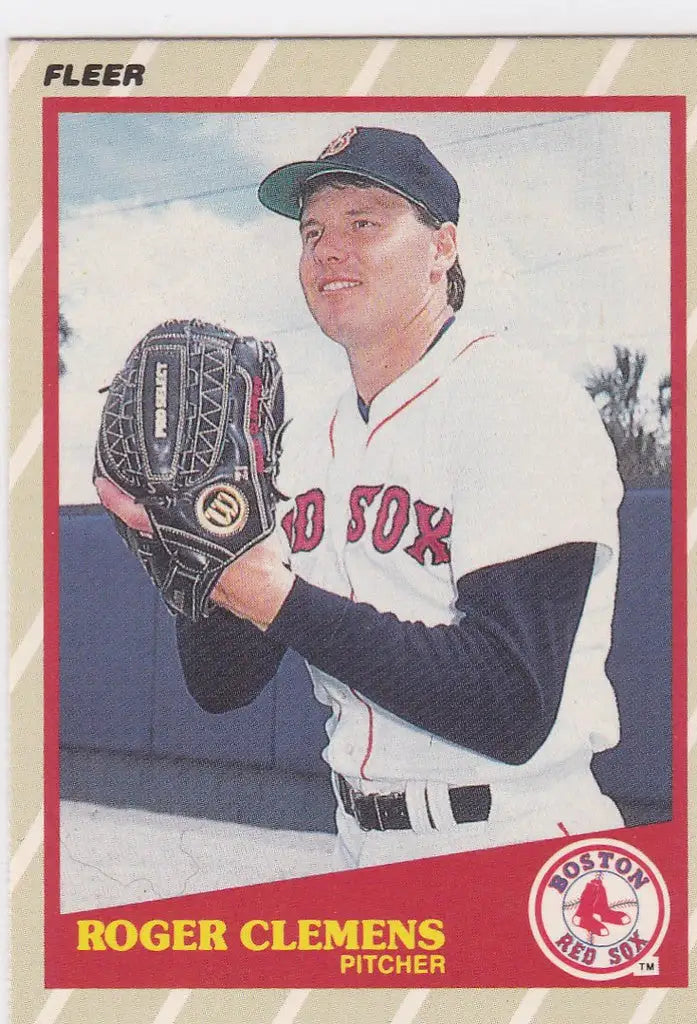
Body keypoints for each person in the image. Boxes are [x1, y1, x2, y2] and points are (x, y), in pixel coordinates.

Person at [97, 125, 626, 870]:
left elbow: (511, 706)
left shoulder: (520, 403)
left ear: (442, 247)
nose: (326, 249)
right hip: (356, 845)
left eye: (363, 223)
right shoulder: (302, 440)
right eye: (311, 230)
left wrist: (272, 595)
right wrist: (186, 552)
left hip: (516, 842)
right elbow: (226, 684)